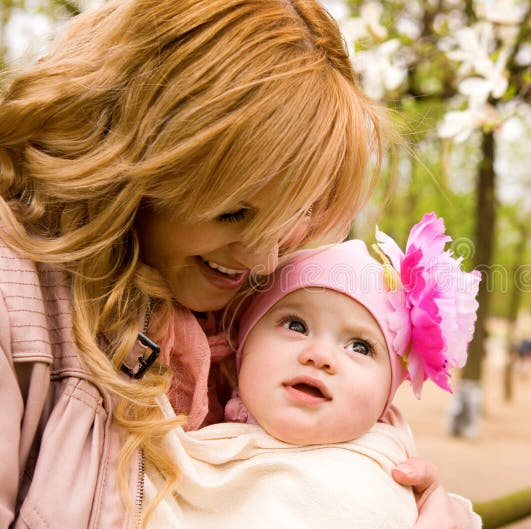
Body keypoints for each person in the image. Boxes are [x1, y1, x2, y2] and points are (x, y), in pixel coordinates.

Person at [0, 2, 478, 528]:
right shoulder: (16, 301)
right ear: (134, 156)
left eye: (291, 214)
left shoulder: (245, 318)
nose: (264, 257)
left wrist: (390, 495)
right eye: (233, 212)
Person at [143, 214, 481, 528]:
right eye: (296, 325)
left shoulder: (387, 472)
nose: (320, 356)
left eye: (360, 347)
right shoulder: (173, 444)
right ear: (242, 347)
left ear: (386, 399)